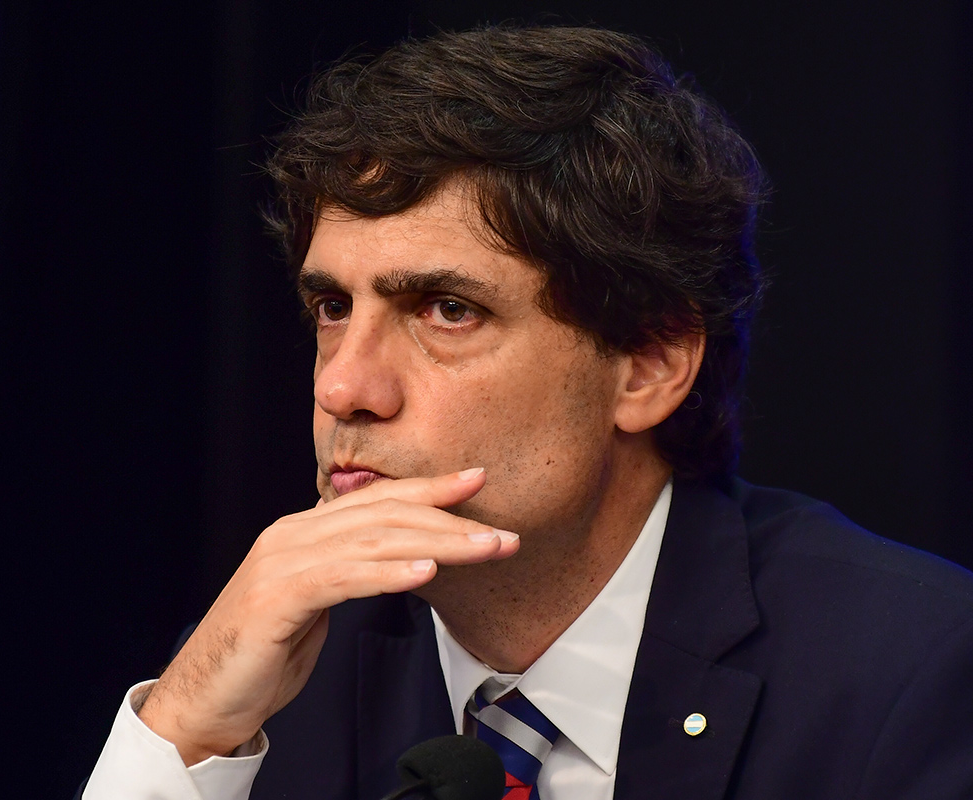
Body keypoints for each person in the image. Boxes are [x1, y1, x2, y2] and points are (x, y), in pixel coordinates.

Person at [82, 25, 973, 800]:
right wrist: (184, 733)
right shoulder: (271, 676)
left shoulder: (911, 675)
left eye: (447, 311)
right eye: (333, 308)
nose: (343, 389)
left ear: (649, 365)